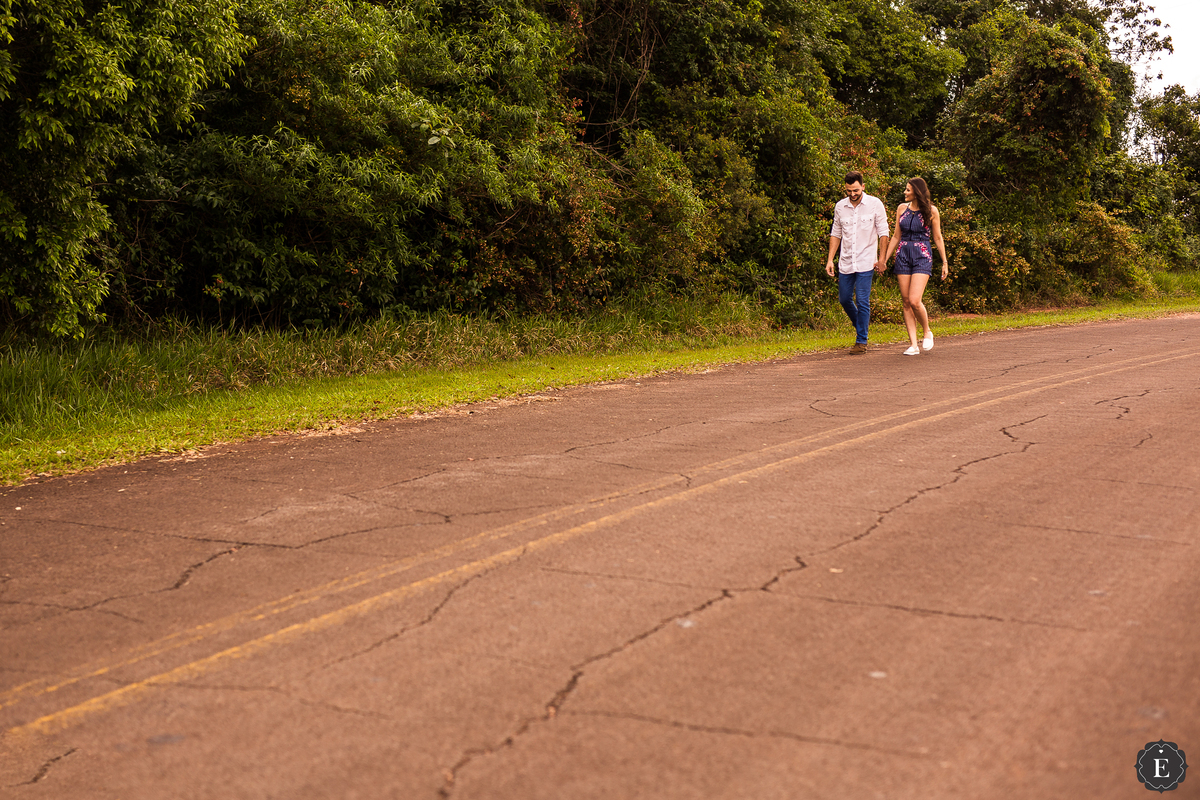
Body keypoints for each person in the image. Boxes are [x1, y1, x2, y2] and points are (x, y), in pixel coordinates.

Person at [881, 177, 948, 355]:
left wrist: (945, 262)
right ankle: (913, 344)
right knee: (905, 302)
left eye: (908, 190)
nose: (905, 192)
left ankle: (927, 331)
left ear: (917, 192)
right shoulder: (901, 209)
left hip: (922, 255)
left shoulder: (931, 211)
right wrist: (884, 259)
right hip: (903, 254)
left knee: (914, 300)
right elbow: (896, 236)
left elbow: (938, 238)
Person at [826, 171, 890, 354]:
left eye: (855, 190)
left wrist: (882, 259)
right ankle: (861, 325)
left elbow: (883, 232)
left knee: (862, 300)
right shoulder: (840, 207)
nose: (852, 194)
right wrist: (830, 259)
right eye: (848, 191)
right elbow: (836, 233)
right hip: (846, 261)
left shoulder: (875, 204)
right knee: (844, 299)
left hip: (867, 261)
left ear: (863, 186)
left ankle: (861, 340)